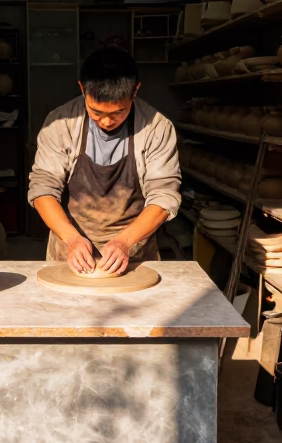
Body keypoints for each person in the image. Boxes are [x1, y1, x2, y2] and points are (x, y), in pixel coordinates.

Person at [28, 47, 181, 276]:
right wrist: (71, 239)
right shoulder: (60, 123)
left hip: (134, 252)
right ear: (82, 88)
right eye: (96, 112)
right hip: (70, 249)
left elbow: (164, 196)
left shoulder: (157, 128)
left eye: (118, 112)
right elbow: (43, 189)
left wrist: (124, 242)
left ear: (135, 91)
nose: (106, 122)